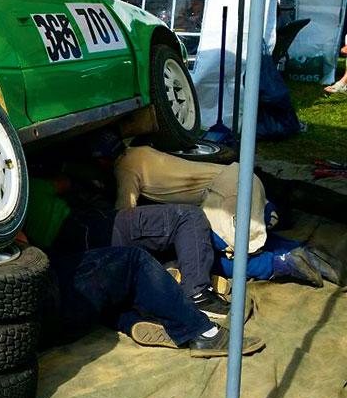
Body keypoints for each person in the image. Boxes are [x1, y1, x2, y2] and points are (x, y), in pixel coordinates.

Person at [21, 180, 264, 357]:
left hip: (54, 311)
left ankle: (132, 318)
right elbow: (60, 186)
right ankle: (200, 316)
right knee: (181, 222)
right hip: (80, 229)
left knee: (111, 278)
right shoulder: (23, 185)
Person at [113, 143, 336, 287]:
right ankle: (299, 250)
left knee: (197, 253)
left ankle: (281, 264)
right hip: (242, 177)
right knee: (248, 238)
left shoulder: (125, 166)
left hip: (224, 196)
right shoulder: (140, 150)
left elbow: (124, 218)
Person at [26, 177, 229, 319]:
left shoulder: (8, 224)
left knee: (151, 256)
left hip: (72, 254)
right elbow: (64, 183)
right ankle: (198, 294)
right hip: (87, 226)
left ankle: (172, 276)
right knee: (187, 217)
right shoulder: (28, 186)